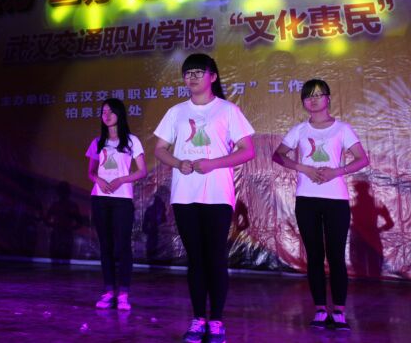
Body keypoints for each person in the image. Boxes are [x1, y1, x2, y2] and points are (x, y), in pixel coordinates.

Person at [153, 53, 255, 343]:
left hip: (217, 194)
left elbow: (247, 150)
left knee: (215, 258)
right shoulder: (176, 112)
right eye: (188, 73)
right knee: (196, 258)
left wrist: (214, 163)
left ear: (213, 76)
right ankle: (198, 319)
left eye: (199, 72)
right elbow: (159, 149)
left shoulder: (227, 110)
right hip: (185, 195)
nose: (192, 77)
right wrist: (178, 163)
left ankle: (217, 321)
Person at [272, 79, 369, 331]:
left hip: (336, 199)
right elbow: (278, 155)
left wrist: (337, 171)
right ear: (303, 102)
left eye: (318, 95)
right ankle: (319, 310)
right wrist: (303, 167)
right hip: (307, 199)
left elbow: (362, 159)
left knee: (335, 256)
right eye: (308, 96)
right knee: (314, 256)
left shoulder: (342, 128)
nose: (313, 100)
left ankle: (339, 311)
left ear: (328, 98)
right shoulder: (299, 130)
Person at [86, 98, 146, 311]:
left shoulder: (131, 141)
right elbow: (91, 171)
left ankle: (123, 294)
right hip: (100, 198)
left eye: (111, 111)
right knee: (106, 246)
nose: (107, 115)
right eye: (103, 111)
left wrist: (121, 179)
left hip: (122, 199)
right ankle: (108, 291)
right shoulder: (97, 142)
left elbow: (142, 171)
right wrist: (98, 180)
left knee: (122, 246)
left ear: (119, 114)